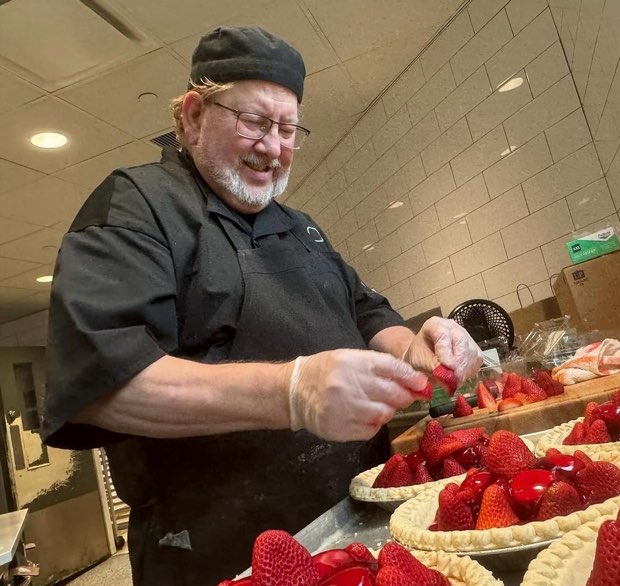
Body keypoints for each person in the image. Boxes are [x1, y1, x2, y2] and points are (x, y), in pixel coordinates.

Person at [41, 26, 483, 586]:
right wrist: (292, 392)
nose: (273, 146)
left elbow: (368, 313)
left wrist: (418, 344)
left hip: (356, 526)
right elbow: (101, 386)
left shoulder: (299, 227)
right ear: (194, 114)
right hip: (221, 548)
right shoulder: (137, 206)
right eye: (254, 121)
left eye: (289, 129)